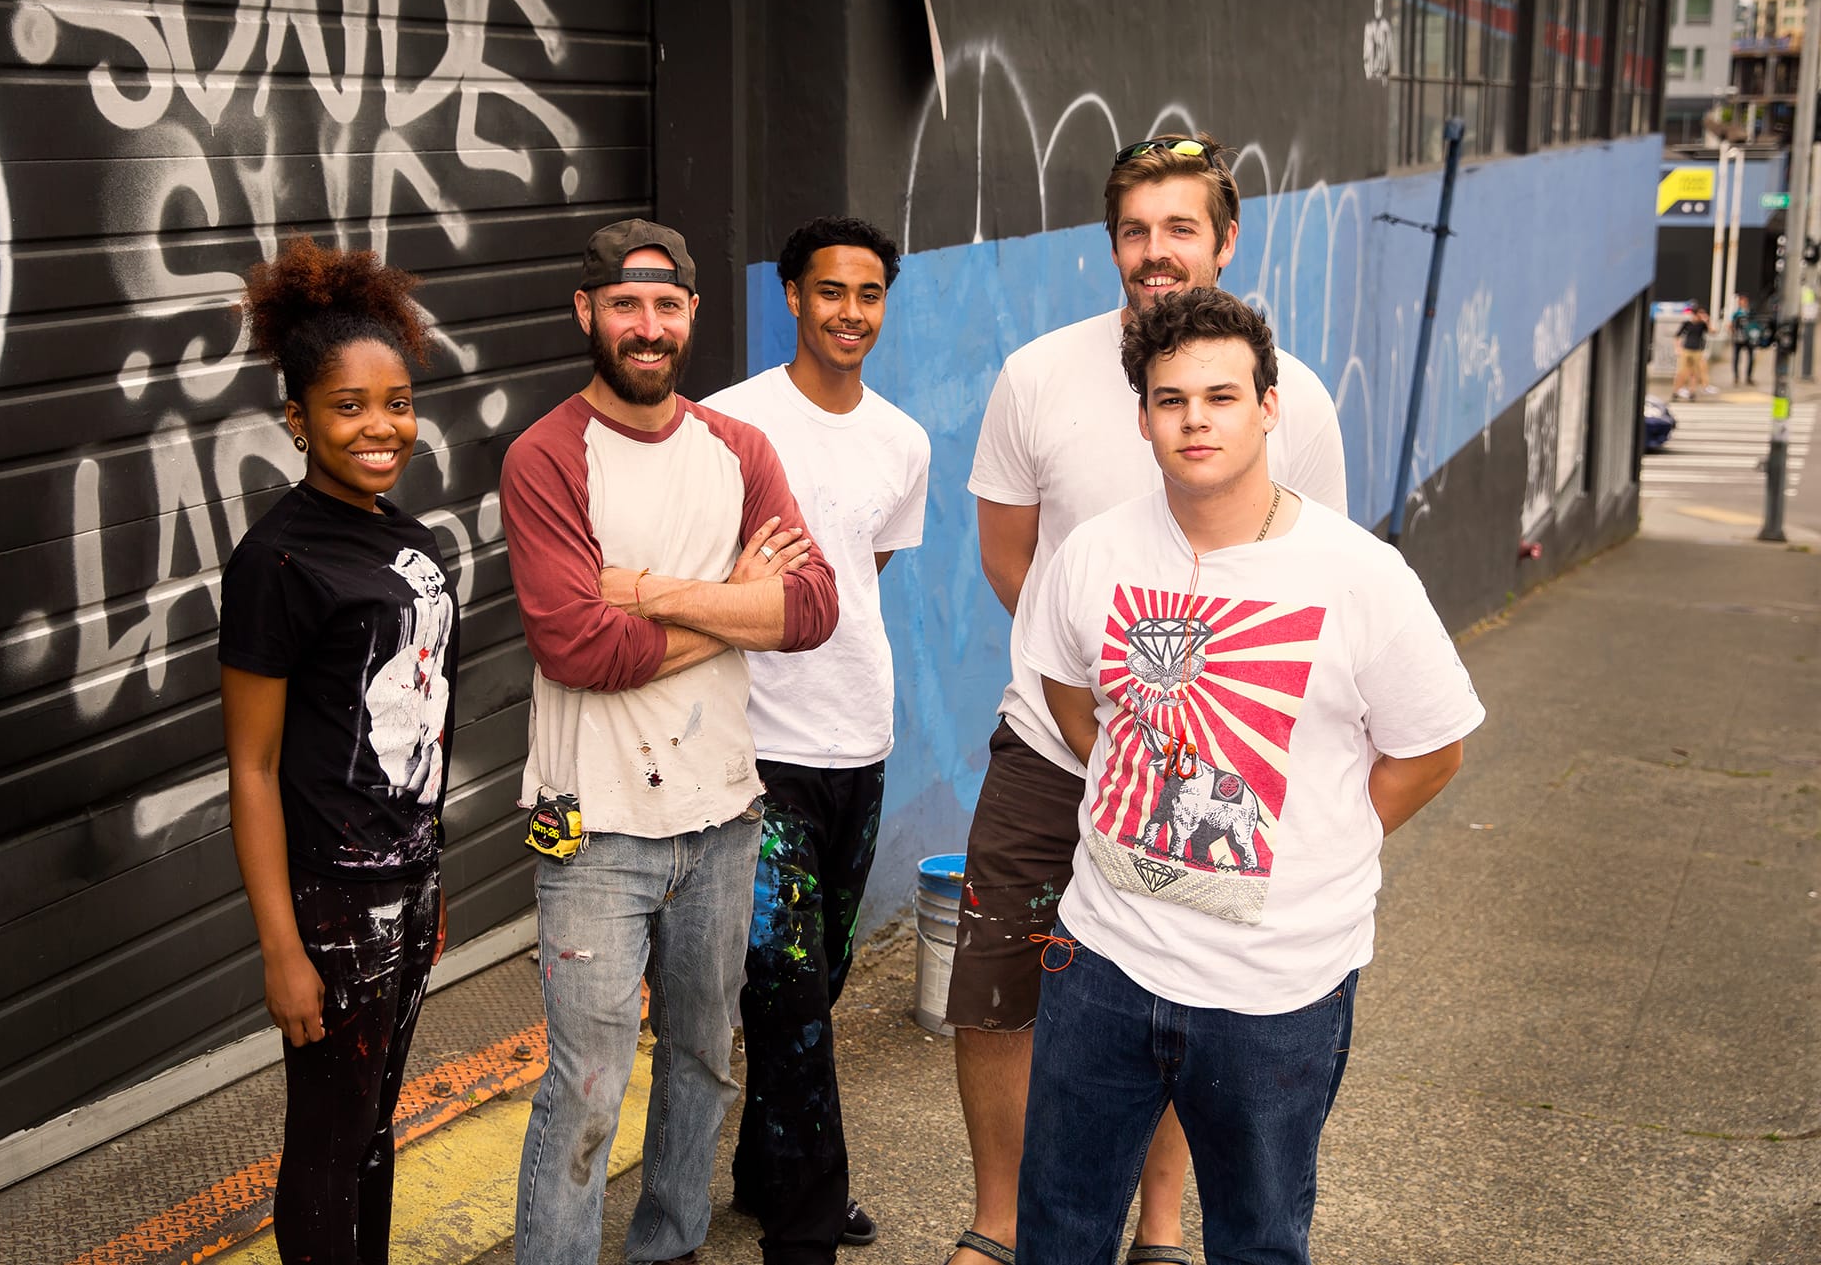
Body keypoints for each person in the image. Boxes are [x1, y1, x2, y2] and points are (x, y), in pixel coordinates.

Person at [1017, 287, 1483, 1264]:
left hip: (1275, 988)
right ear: (1141, 416)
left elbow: (1430, 748)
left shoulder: (1359, 577)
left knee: (1257, 1244)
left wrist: (1319, 841)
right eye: (1169, 399)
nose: (1194, 419)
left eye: (1220, 397)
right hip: (1100, 962)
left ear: (1268, 406)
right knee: (1057, 1234)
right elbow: (1067, 691)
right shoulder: (1094, 553)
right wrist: (1122, 775)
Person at [948, 135, 1348, 1265]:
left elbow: (1314, 578)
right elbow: (1010, 560)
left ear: (1224, 240)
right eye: (1135, 230)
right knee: (994, 986)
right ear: (1111, 244)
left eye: (1180, 229)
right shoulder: (1037, 374)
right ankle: (997, 1223)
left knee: (1184, 994)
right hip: (1049, 742)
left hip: (1206, 769)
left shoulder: (1292, 401)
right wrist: (1107, 692)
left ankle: (1159, 1229)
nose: (1154, 252)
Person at [500, 218, 841, 1265]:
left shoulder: (738, 451)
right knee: (588, 1083)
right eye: (622, 305)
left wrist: (650, 595)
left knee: (703, 1058)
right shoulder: (545, 456)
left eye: (665, 305)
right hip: (589, 823)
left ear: (691, 313)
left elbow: (813, 606)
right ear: (585, 314)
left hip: (723, 814)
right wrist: (736, 604)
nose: (645, 327)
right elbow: (577, 647)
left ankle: (670, 1247)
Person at [218, 237, 459, 1265]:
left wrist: (427, 886)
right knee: (325, 1143)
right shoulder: (277, 558)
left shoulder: (411, 540)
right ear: (298, 420)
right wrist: (282, 949)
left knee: (372, 1130)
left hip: (409, 883)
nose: (380, 426)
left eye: (397, 401)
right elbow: (253, 767)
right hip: (330, 902)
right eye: (349, 406)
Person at [701, 216, 931, 1265]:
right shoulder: (727, 424)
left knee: (820, 980)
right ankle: (803, 1230)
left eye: (869, 293)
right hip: (756, 752)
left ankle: (766, 1167)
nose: (850, 312)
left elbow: (857, 577)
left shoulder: (901, 440)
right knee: (785, 992)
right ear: (789, 295)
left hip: (858, 740)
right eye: (830, 291)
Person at [1673, 304, 1713, 400]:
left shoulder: (1702, 325)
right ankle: (1676, 391)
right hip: (1686, 350)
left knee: (1694, 373)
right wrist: (1678, 348)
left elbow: (1712, 331)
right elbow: (1677, 335)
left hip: (1697, 350)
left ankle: (1692, 392)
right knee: (1681, 372)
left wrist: (1707, 321)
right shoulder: (1687, 323)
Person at [1729, 294, 1762, 386]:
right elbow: (1731, 325)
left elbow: (1756, 324)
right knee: (1736, 358)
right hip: (1738, 338)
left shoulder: (1751, 313)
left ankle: (1749, 377)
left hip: (1749, 338)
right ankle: (1736, 377)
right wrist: (1733, 331)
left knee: (1751, 358)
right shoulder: (1736, 313)